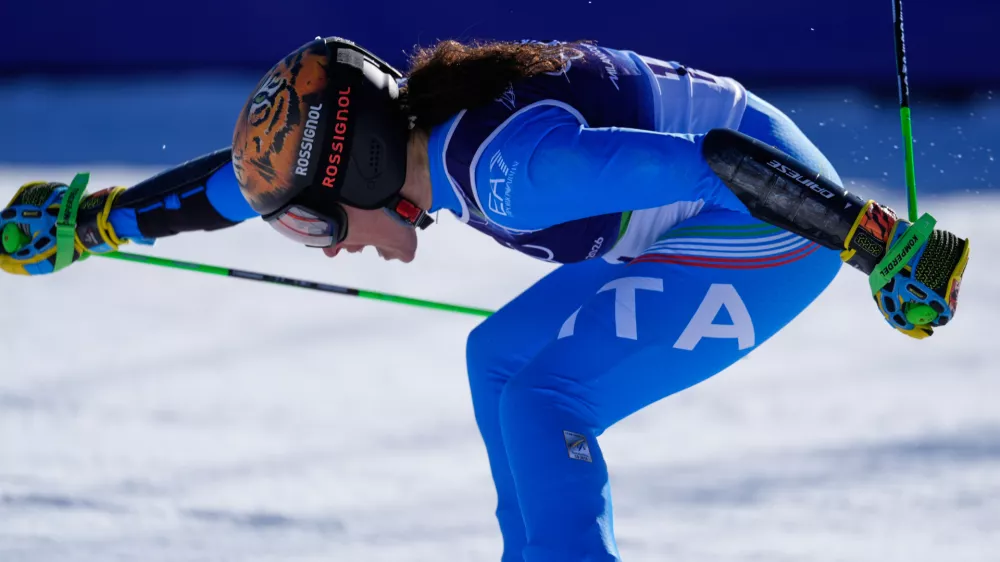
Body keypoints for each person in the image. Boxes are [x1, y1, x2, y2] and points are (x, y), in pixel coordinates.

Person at [0, 36, 970, 561]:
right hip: (716, 203)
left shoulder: (514, 175)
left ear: (369, 170)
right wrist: (97, 224)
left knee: (548, 396)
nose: (326, 247)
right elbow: (239, 183)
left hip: (761, 232)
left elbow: (714, 164)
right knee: (500, 361)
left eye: (318, 224)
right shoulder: (423, 128)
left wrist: (869, 241)